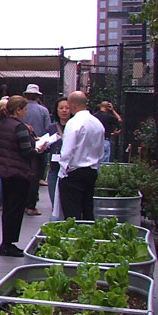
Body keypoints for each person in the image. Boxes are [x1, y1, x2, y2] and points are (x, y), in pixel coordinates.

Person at [0, 95, 37, 257]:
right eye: (25, 109)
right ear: (18, 110)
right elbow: (26, 151)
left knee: (8, 208)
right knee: (16, 209)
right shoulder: (20, 127)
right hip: (19, 172)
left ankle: (6, 242)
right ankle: (9, 244)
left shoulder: (2, 124)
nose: (26, 113)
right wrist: (39, 148)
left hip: (5, 171)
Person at [58, 91, 106, 220]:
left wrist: (63, 170)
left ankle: (73, 238)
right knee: (87, 208)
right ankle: (89, 236)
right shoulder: (98, 124)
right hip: (91, 171)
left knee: (71, 212)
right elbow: (101, 150)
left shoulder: (73, 123)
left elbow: (67, 150)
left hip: (73, 172)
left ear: (73, 105)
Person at [22, 84, 53, 215]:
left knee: (23, 176)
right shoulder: (43, 111)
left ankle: (22, 203)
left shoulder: (21, 109)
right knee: (35, 177)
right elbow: (48, 128)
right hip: (39, 146)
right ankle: (31, 205)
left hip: (22, 145)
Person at [47, 98, 72, 209]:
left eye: (67, 108)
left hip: (70, 169)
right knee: (55, 202)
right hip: (54, 167)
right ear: (56, 110)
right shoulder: (51, 128)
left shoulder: (74, 126)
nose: (64, 110)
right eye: (61, 108)